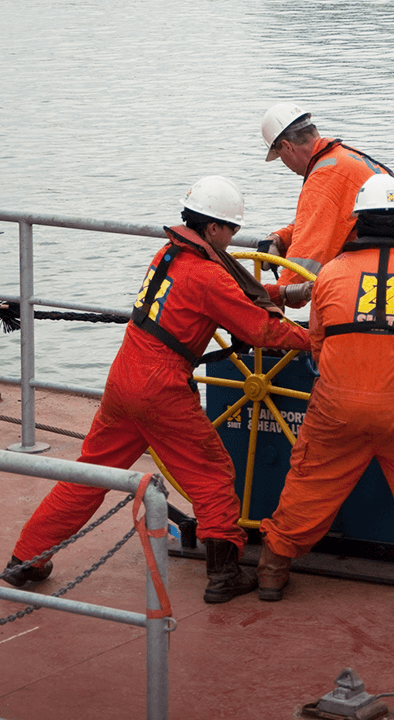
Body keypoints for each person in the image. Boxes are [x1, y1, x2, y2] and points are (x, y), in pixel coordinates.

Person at [2, 176, 311, 604]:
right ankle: (224, 575)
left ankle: (26, 559)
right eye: (232, 229)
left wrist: (288, 292)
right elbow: (258, 326)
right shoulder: (207, 273)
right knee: (212, 474)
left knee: (90, 475)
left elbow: (232, 293)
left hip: (125, 377)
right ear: (215, 229)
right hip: (162, 388)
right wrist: (320, 340)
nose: (235, 236)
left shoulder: (167, 254)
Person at [257, 174, 394, 629]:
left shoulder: (330, 273)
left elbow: (316, 343)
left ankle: (272, 569)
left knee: (310, 483)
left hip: (334, 408)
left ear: (357, 223)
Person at [258, 102, 394, 308]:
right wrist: (279, 238)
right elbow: (319, 219)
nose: (286, 165)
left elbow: (304, 265)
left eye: (280, 157)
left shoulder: (325, 176)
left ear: (287, 147)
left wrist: (274, 295)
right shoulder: (344, 159)